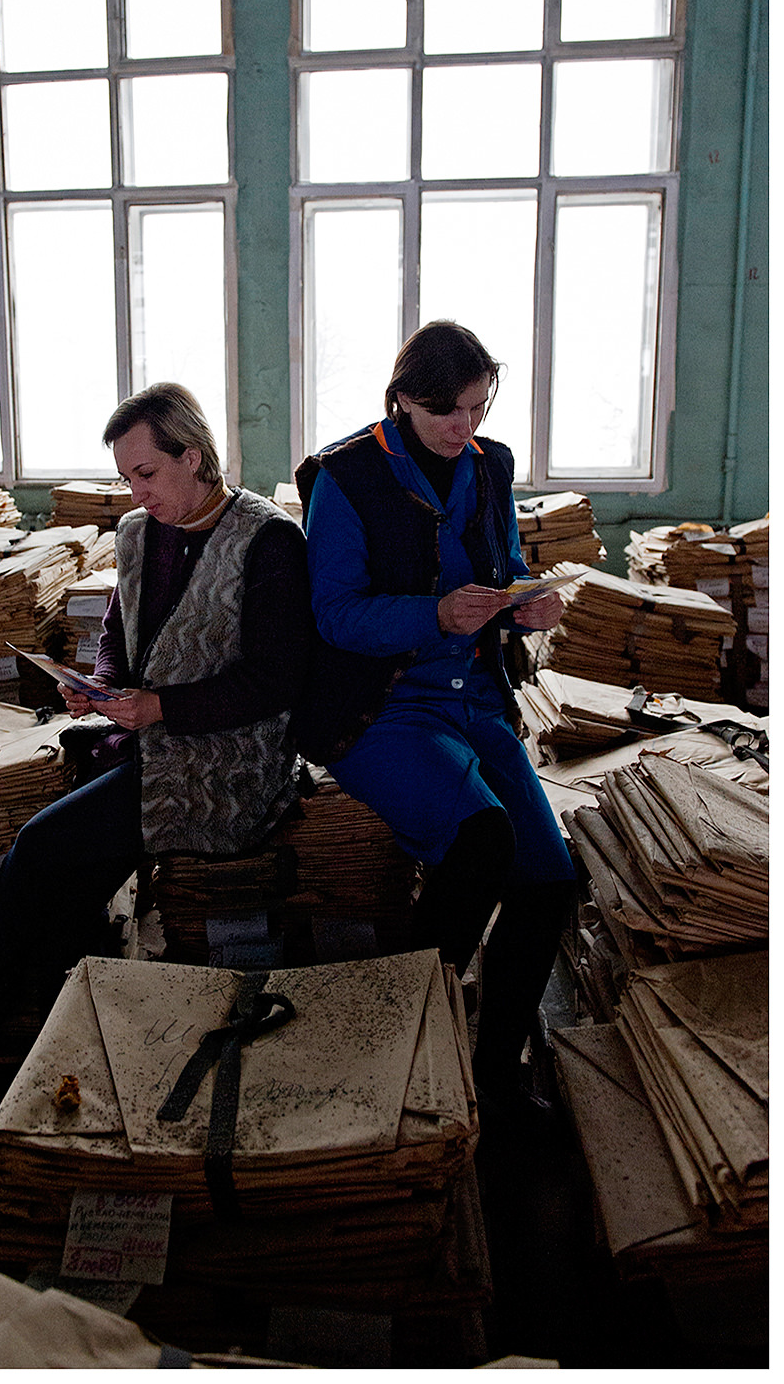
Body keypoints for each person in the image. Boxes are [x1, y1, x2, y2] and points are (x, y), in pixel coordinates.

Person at [0, 382, 313, 1051]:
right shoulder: (138, 534)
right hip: (141, 743)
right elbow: (117, 633)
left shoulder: (268, 539)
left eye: (145, 474)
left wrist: (159, 705)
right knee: (68, 886)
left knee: (40, 848)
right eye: (125, 478)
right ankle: (51, 1030)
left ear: (193, 456)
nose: (136, 493)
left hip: (223, 760)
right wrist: (98, 685)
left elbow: (276, 678)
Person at [293, 321, 576, 1129]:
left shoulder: (491, 467)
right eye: (446, 412)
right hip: (381, 706)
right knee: (482, 843)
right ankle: (391, 1036)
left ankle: (495, 1074)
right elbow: (335, 614)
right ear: (402, 400)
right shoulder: (343, 476)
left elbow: (504, 565)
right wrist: (434, 614)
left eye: (477, 408)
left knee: (550, 881)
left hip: (473, 698)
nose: (464, 428)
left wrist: (529, 604)